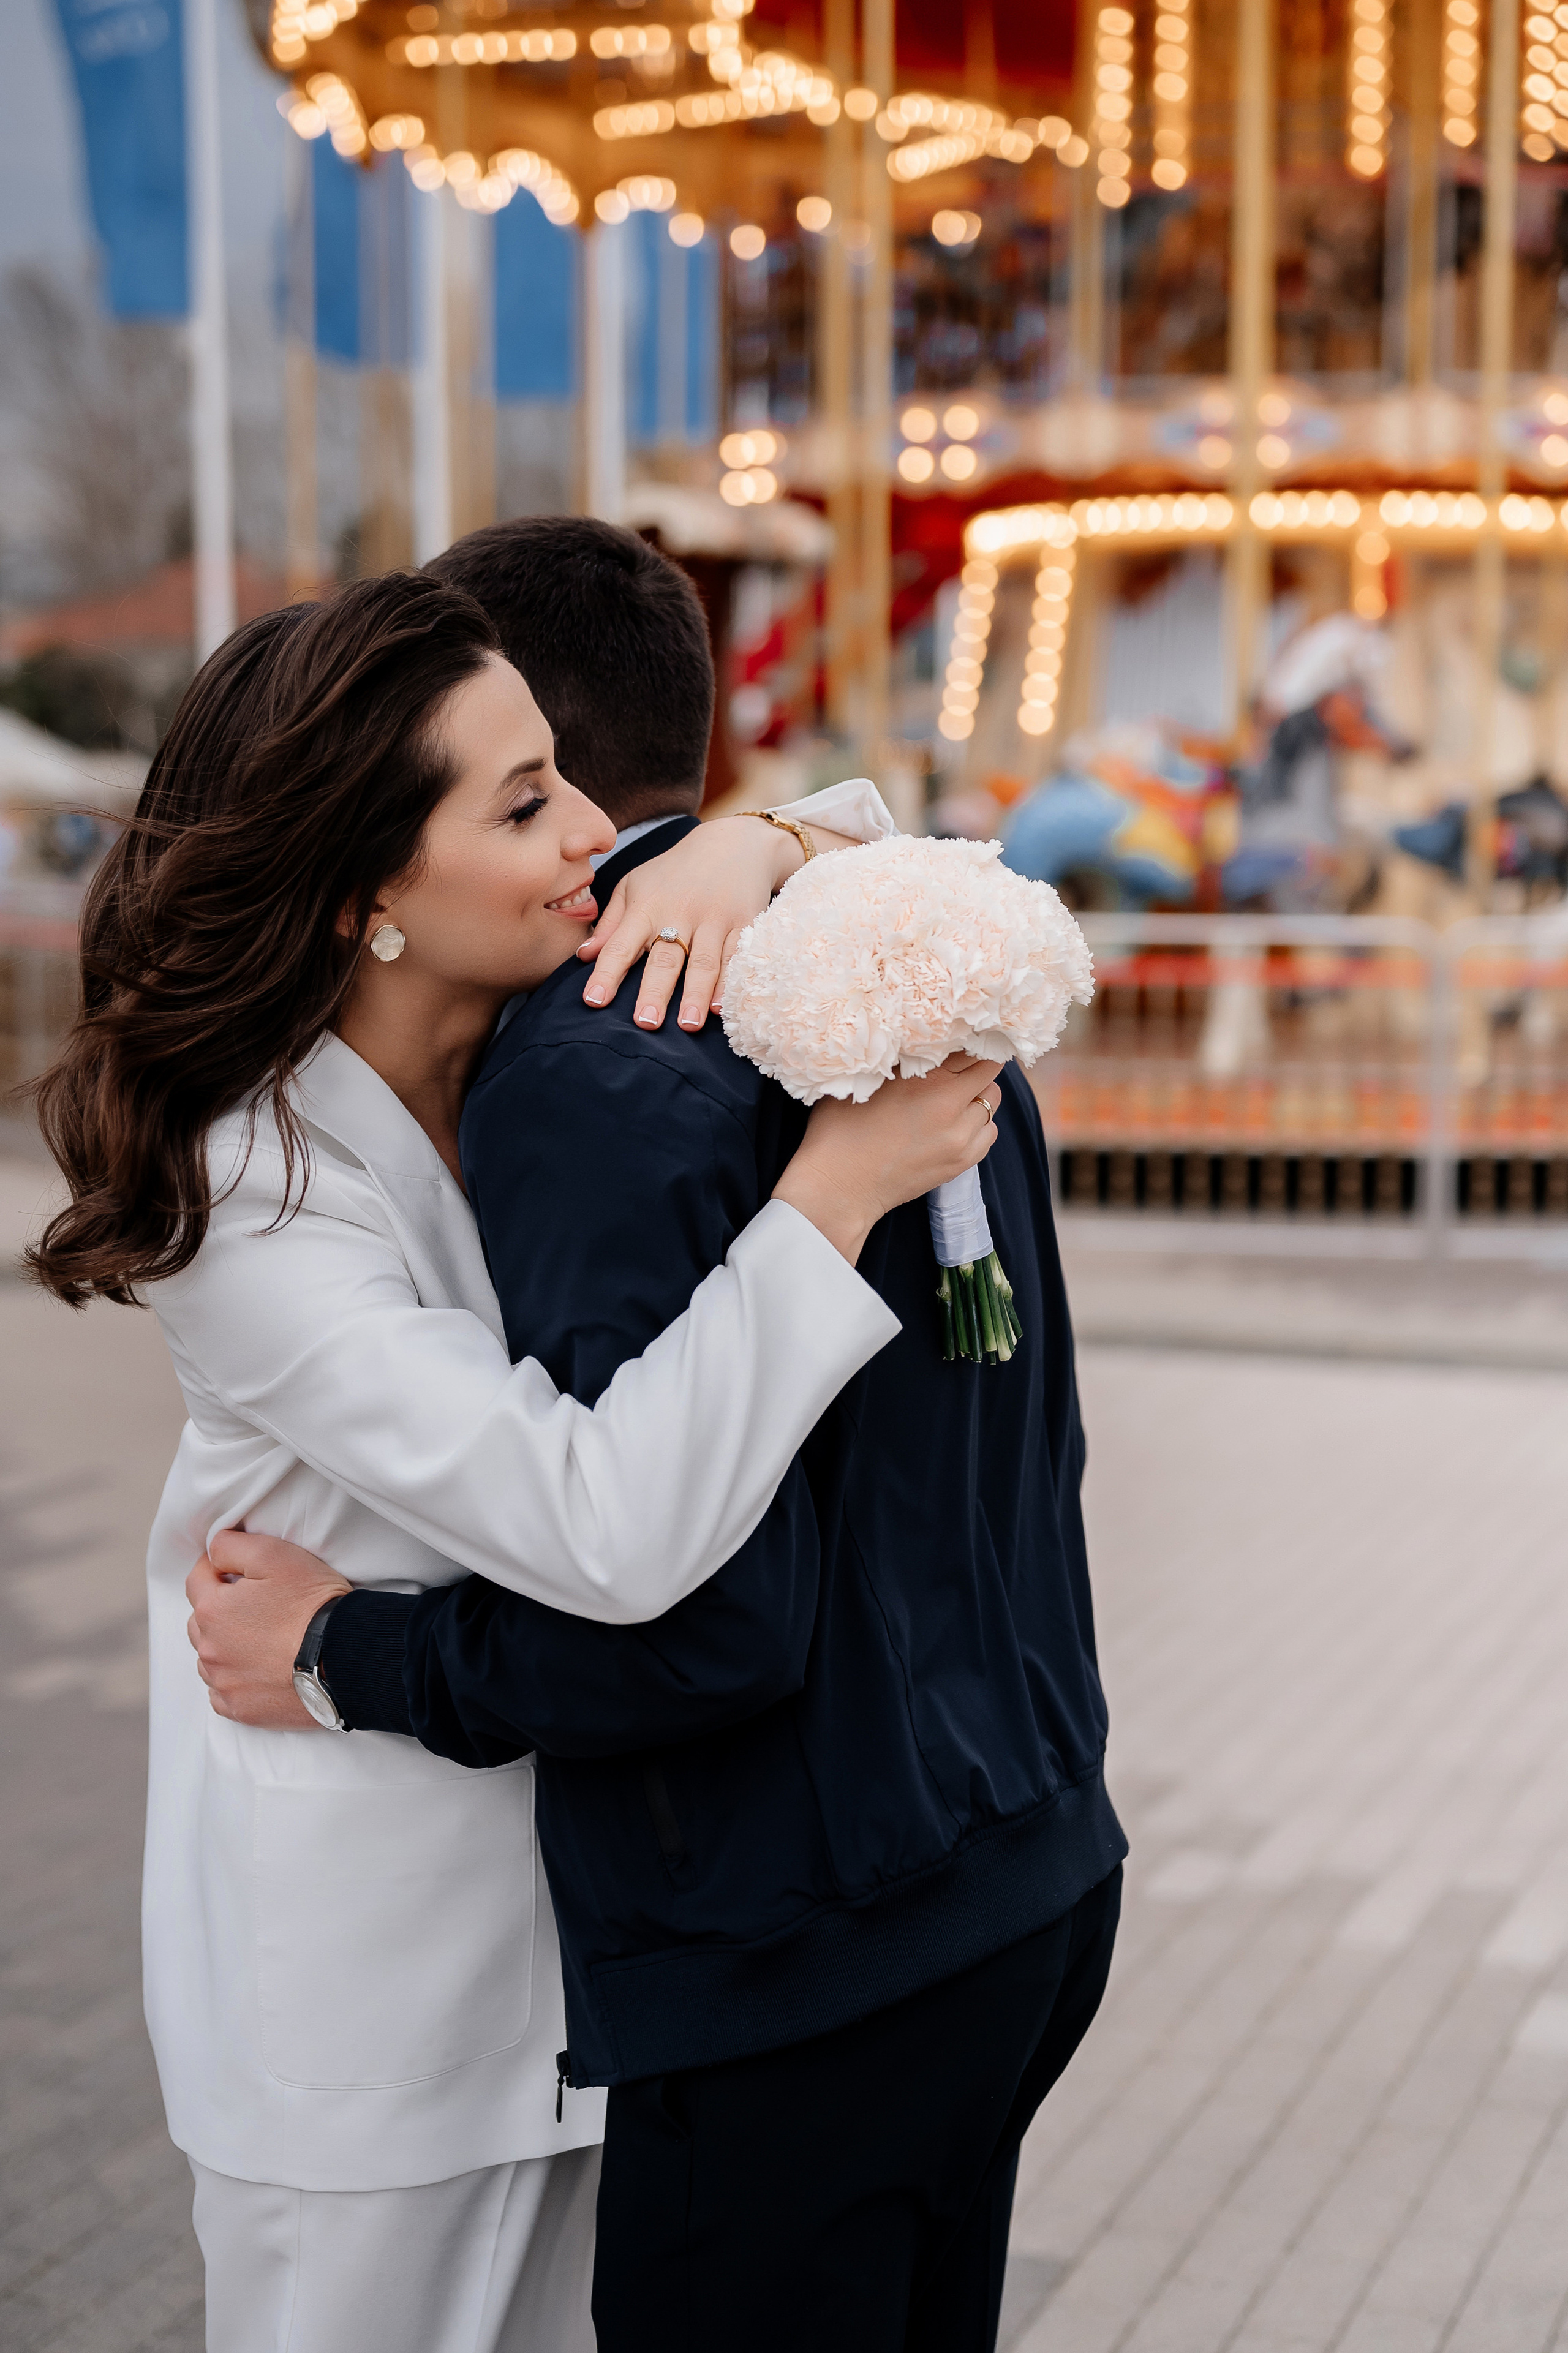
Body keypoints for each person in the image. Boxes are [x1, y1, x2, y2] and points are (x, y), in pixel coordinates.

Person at [28, 567, 1003, 2353]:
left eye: (565, 774)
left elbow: (888, 834)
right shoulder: (253, 1198)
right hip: (364, 2004)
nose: (589, 837)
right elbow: (603, 1522)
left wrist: (757, 841)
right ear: (366, 896)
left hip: (582, 1951)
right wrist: (837, 1195)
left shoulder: (532, 1055)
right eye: (523, 803)